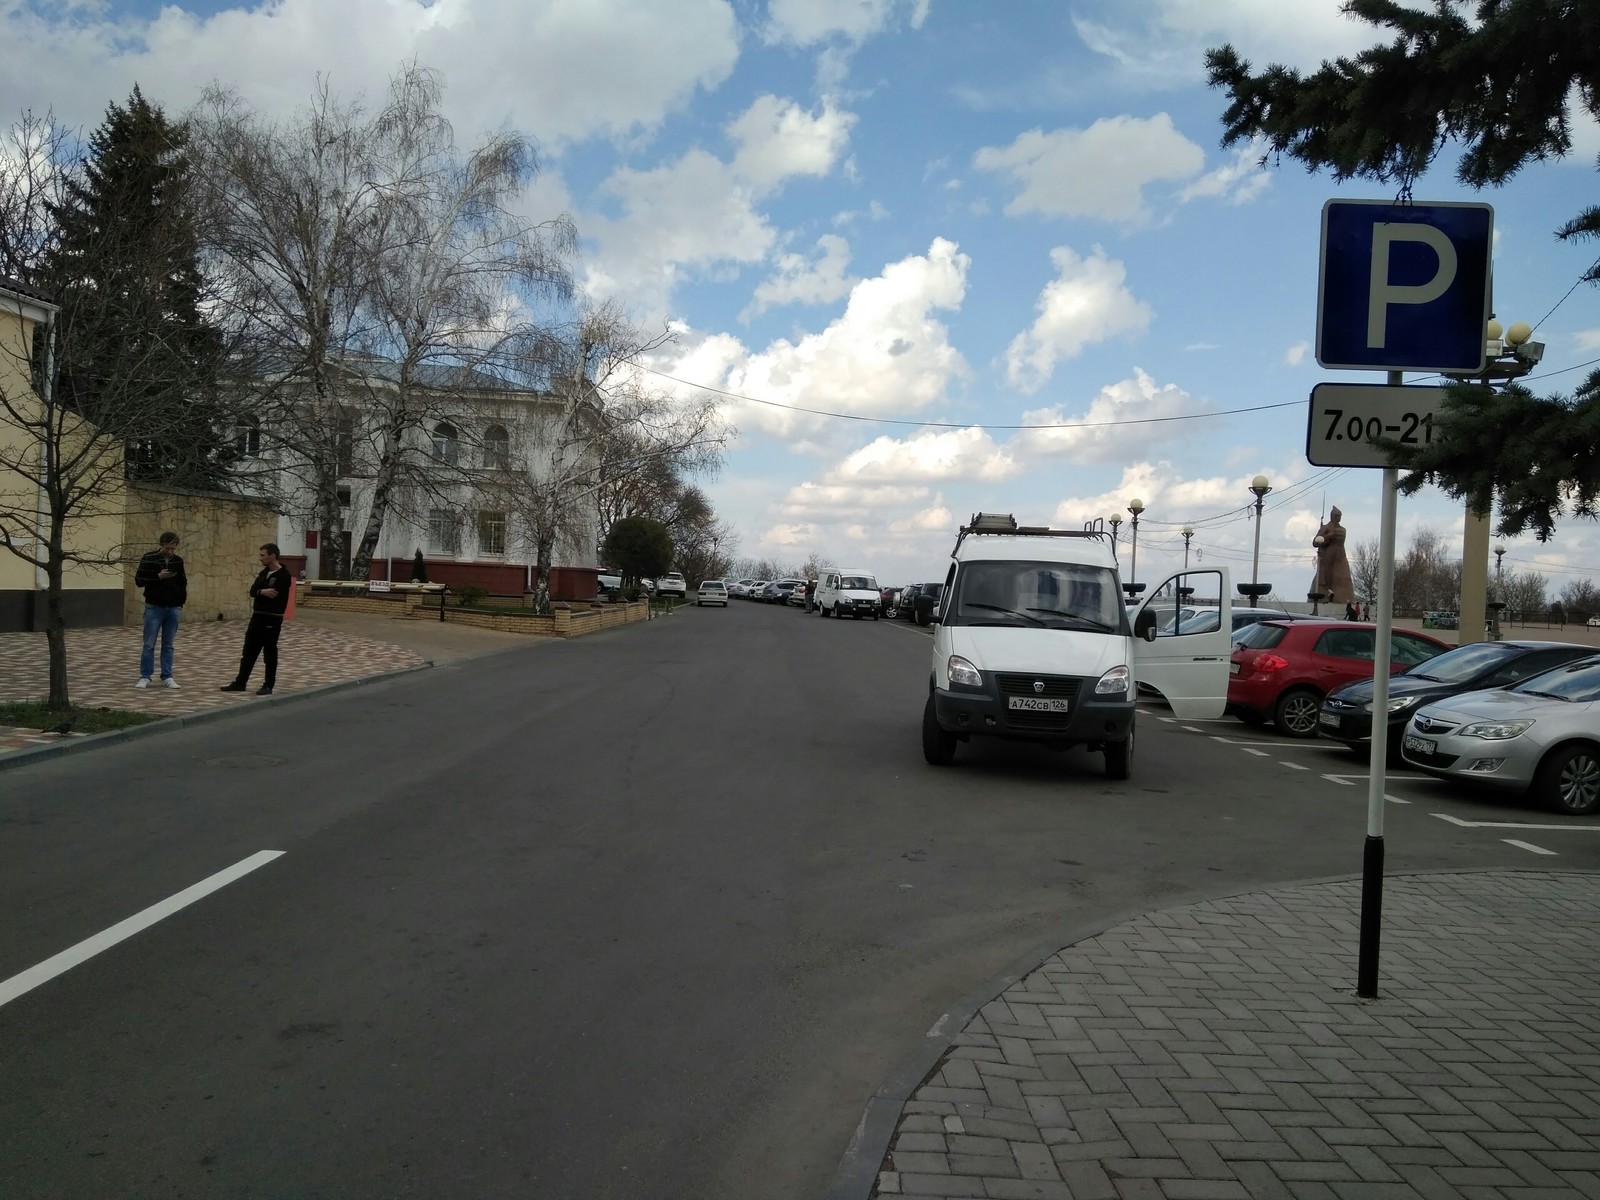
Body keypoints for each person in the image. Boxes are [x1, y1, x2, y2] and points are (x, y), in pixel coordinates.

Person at [221, 543, 292, 696]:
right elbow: (253, 591)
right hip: (257, 617)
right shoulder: (263, 573)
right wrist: (262, 591)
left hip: (271, 619)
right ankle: (240, 682)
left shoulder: (283, 576)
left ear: (272, 556)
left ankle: (268, 685)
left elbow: (274, 594)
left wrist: (263, 592)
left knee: (269, 652)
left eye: (263, 555)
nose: (260, 558)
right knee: (248, 651)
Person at [133, 531, 186, 689]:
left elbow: (183, 582)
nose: (170, 552)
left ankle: (167, 676)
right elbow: (139, 581)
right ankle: (145, 676)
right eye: (168, 548)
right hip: (154, 607)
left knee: (168, 644)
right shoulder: (149, 558)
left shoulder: (178, 561)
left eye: (173, 548)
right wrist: (158, 577)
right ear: (161, 545)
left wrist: (180, 602)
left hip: (173, 607)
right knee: (149, 644)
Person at [1310, 506, 1355, 606]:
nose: (1338, 518)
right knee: (1323, 579)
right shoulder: (1325, 528)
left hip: (1340, 557)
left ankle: (1344, 599)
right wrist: (1328, 536)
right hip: (1327, 558)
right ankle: (1323, 597)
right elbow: (1315, 542)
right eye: (1337, 516)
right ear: (1332, 516)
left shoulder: (1343, 530)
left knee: (1344, 578)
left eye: (1340, 516)